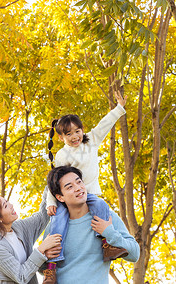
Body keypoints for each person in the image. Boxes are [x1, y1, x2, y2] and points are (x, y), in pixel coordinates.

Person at [44, 91, 128, 282]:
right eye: (68, 134)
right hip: (71, 200)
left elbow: (104, 124)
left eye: (77, 131)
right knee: (58, 223)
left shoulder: (91, 141)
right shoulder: (62, 156)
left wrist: (119, 108)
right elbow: (54, 181)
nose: (75, 136)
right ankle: (51, 267)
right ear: (60, 137)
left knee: (101, 208)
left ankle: (108, 246)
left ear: (82, 130)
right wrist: (51, 202)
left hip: (91, 194)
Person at [44, 165, 140, 283]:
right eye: (69, 187)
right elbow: (44, 270)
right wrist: (45, 257)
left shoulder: (106, 217)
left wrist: (109, 233)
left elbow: (135, 254)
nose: (78, 188)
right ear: (60, 197)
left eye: (79, 182)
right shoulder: (54, 228)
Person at [0, 187, 62, 284]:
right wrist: (41, 249)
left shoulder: (19, 228)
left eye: (7, 201)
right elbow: (21, 276)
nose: (11, 205)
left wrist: (51, 184)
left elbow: (42, 217)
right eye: (5, 206)